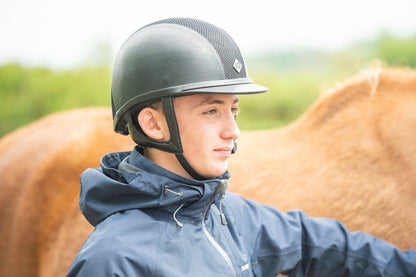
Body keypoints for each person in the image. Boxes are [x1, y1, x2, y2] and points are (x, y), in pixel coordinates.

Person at [66, 17, 416, 277]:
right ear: (152, 123)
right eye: (211, 111)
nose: (233, 131)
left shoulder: (228, 215)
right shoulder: (112, 261)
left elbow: (326, 244)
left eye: (233, 109)